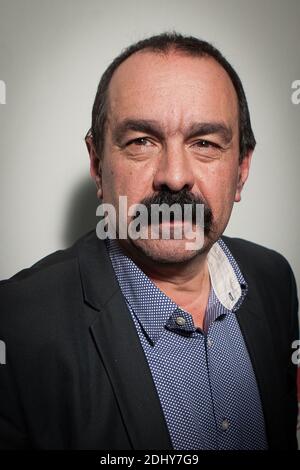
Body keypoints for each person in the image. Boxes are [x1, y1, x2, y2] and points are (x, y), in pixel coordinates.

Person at [0, 32, 298, 450]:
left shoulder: (275, 279)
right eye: (141, 141)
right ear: (98, 164)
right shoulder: (14, 324)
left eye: (205, 143)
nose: (174, 176)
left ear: (242, 169)